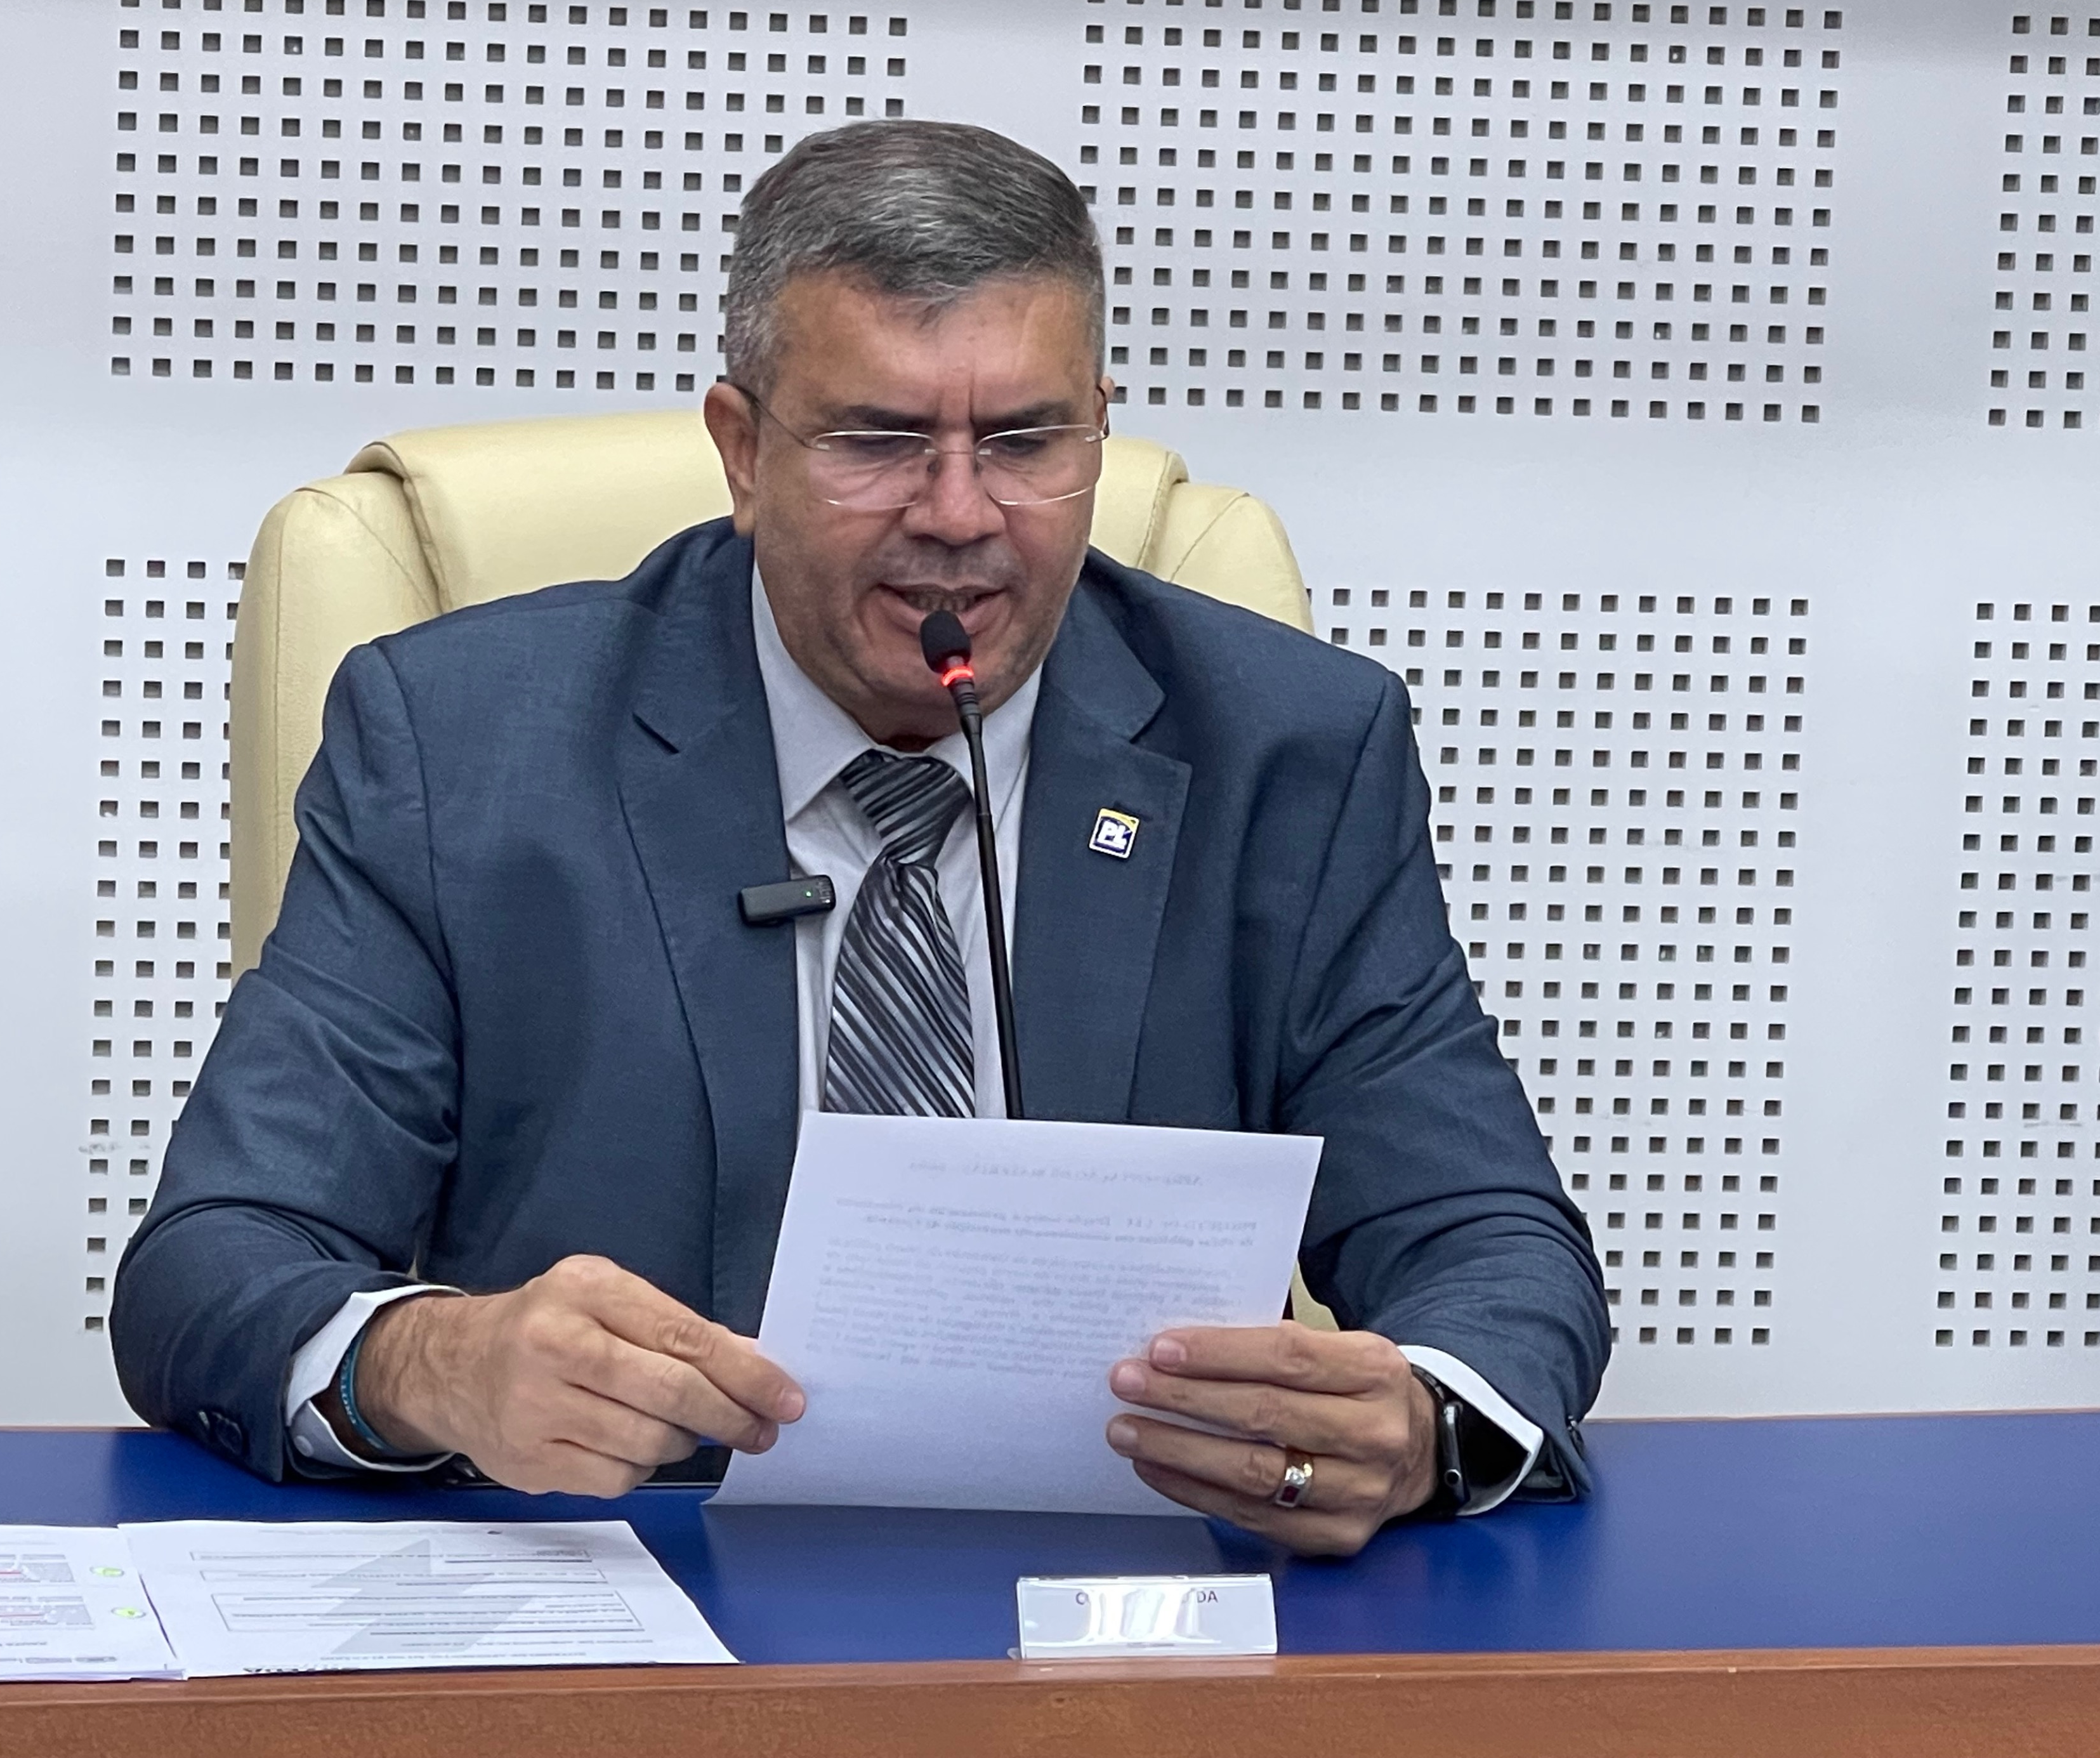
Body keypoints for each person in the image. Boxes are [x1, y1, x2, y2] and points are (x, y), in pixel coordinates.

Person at [112, 119, 1608, 1557]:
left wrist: (1420, 1423)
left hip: (1124, 1626)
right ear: (741, 448)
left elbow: (1491, 1245)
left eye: (1024, 440)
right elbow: (211, 1267)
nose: (957, 514)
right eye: (880, 440)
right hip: (617, 1602)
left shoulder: (1288, 751)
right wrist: (435, 1364)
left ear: (1098, 430)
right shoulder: (463, 745)